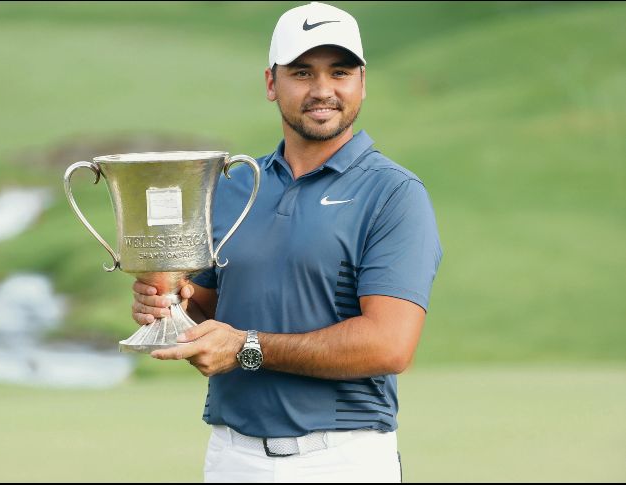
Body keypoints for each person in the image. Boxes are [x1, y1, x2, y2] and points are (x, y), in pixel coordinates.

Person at [131, 2, 442, 482]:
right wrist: (174, 301)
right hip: (231, 455)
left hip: (341, 459)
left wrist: (247, 347)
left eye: (339, 72)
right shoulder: (233, 185)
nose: (322, 90)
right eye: (302, 72)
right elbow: (216, 313)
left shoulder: (393, 193)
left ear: (362, 82)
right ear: (272, 84)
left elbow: (389, 345)